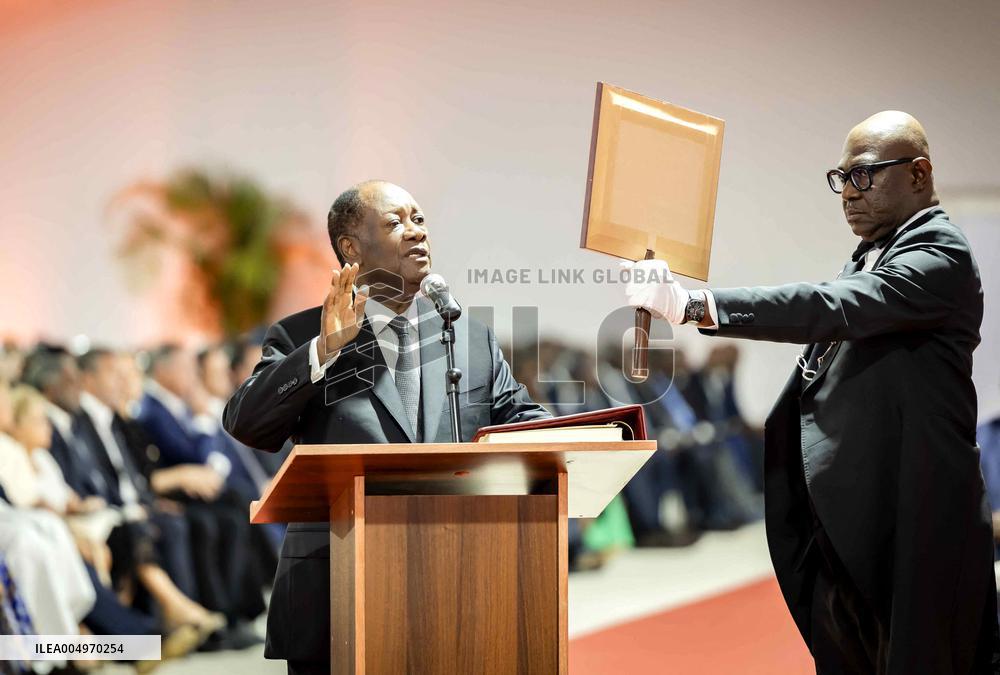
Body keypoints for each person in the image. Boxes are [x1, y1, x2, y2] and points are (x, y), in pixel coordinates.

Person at [625, 111, 998, 674]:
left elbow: (828, 306)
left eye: (864, 175)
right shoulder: (873, 253)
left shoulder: (940, 254)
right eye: (841, 177)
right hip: (862, 517)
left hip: (918, 517)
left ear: (919, 174)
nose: (848, 192)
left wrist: (695, 305)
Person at [224, 180, 549, 674]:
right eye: (396, 222)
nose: (416, 232)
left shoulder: (468, 335)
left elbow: (522, 420)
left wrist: (587, 438)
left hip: (461, 578)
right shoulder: (301, 334)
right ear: (351, 248)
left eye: (419, 219)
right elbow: (247, 423)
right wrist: (323, 351)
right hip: (338, 586)